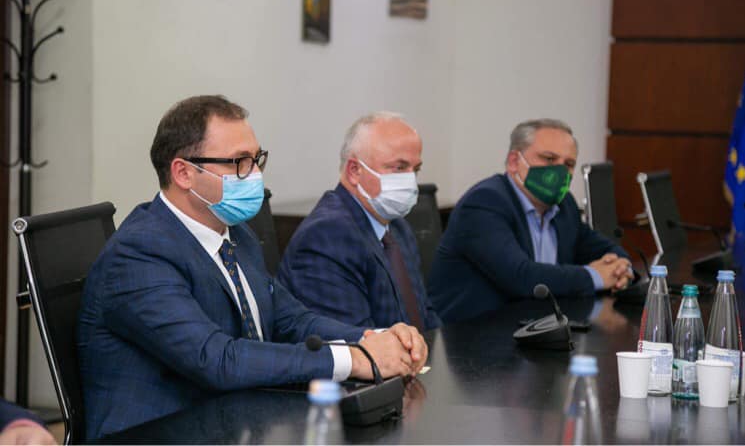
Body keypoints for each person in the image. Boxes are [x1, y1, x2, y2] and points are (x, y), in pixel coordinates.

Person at [77, 96, 428, 440]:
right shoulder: (139, 254)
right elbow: (216, 359)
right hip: (159, 433)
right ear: (183, 173)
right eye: (239, 162)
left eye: (257, 159)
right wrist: (354, 359)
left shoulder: (236, 235)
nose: (255, 174)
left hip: (235, 421)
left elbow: (291, 320)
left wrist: (374, 339)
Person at [429, 118, 632, 324]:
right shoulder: (484, 203)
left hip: (537, 327)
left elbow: (607, 249)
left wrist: (621, 269)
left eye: (568, 164)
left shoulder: (564, 206)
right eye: (549, 159)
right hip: (472, 333)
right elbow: (521, 277)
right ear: (514, 162)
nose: (560, 172)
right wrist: (595, 277)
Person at [277, 112, 440, 331]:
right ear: (354, 171)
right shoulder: (327, 236)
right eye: (399, 168)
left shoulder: (398, 227)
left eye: (416, 169)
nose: (411, 180)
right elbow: (354, 340)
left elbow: (424, 315)